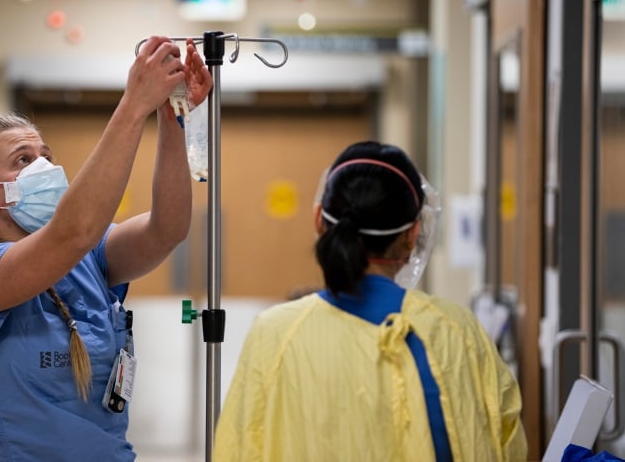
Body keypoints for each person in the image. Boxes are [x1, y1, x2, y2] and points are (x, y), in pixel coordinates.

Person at [0, 36, 212, 462]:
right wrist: (133, 105)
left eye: (45, 154)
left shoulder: (88, 259)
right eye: (23, 160)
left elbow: (167, 230)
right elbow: (74, 231)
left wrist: (172, 116)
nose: (44, 167)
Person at [213, 141, 527, 461]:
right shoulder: (458, 332)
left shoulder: (276, 335)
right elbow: (508, 447)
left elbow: (237, 449)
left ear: (319, 221)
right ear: (413, 234)